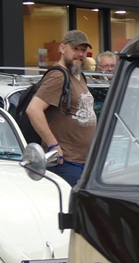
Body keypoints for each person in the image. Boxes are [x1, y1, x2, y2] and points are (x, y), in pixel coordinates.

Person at [25, 30, 97, 186]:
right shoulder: (58, 76)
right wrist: (53, 145)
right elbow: (33, 109)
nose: (80, 54)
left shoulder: (79, 75)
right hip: (65, 163)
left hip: (82, 162)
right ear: (62, 48)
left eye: (83, 50)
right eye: (75, 49)